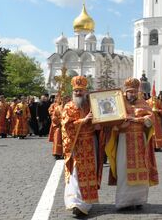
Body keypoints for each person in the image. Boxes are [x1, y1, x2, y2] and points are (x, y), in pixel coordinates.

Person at [106, 77, 158, 211]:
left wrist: (137, 119)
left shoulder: (143, 103)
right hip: (124, 140)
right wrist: (120, 124)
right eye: (130, 92)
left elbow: (151, 118)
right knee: (123, 170)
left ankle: (139, 200)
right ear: (126, 91)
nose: (133, 94)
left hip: (140, 140)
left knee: (141, 170)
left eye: (135, 92)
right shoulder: (119, 103)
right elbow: (111, 121)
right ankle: (124, 201)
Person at [62, 76, 105, 218]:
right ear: (73, 91)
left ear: (86, 91)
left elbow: (99, 122)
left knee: (89, 172)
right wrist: (83, 120)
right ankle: (75, 203)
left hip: (91, 142)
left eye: (81, 90)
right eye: (76, 90)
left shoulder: (91, 105)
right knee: (75, 172)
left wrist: (98, 125)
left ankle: (86, 203)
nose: (78, 93)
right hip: (76, 144)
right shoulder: (68, 106)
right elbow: (67, 125)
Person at [49, 95, 64, 159]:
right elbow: (53, 116)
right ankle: (57, 153)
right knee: (57, 138)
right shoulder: (56, 107)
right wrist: (60, 122)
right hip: (59, 126)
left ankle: (65, 152)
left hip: (66, 126)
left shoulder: (68, 107)